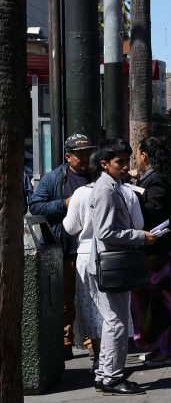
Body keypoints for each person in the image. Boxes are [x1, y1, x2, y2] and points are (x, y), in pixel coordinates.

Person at [90, 139, 157, 395]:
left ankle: (105, 373)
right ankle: (111, 376)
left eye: (126, 160)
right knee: (116, 322)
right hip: (113, 262)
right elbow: (105, 232)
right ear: (105, 164)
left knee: (114, 321)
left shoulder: (114, 185)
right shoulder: (105, 189)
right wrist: (140, 236)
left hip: (116, 262)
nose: (125, 166)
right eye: (120, 162)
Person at [30, 133, 97, 359]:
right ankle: (66, 343)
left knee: (91, 300)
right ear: (68, 156)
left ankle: (92, 344)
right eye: (80, 154)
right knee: (66, 303)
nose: (85, 157)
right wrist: (64, 204)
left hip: (92, 252)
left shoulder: (97, 176)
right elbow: (36, 206)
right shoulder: (54, 179)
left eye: (88, 152)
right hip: (66, 251)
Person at [132, 137, 171, 367]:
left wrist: (132, 197)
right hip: (164, 251)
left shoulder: (156, 182)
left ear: (144, 155)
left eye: (136, 153)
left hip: (159, 252)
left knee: (159, 303)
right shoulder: (161, 177)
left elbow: (152, 211)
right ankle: (159, 349)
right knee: (157, 303)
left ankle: (163, 351)